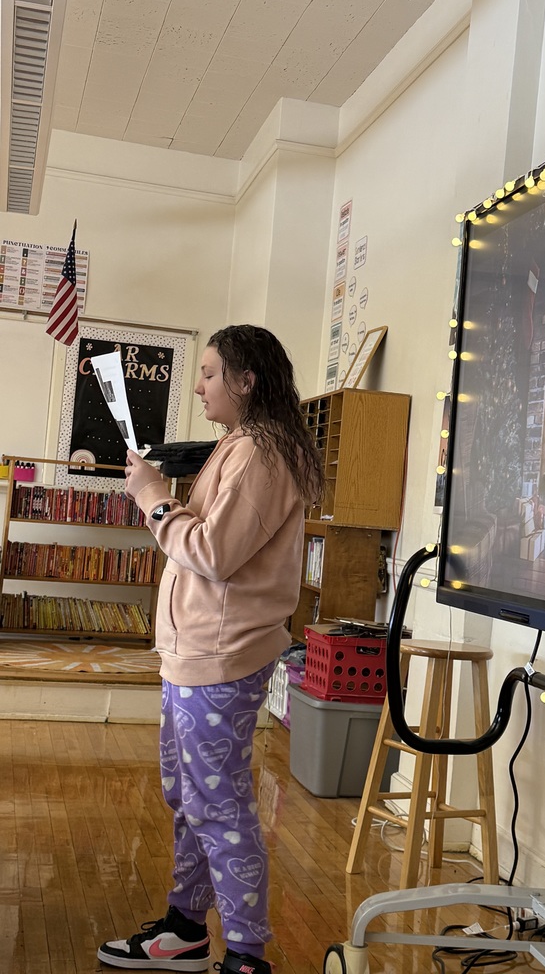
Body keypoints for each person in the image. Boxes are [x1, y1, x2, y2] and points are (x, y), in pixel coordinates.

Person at [97, 325, 324, 974]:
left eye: (209, 373)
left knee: (218, 805)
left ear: (246, 381)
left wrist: (152, 499)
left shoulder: (260, 454)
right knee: (191, 797)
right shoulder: (242, 447)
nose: (198, 386)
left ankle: (247, 955)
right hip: (194, 656)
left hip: (220, 659)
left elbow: (214, 555)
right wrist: (163, 498)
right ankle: (186, 928)